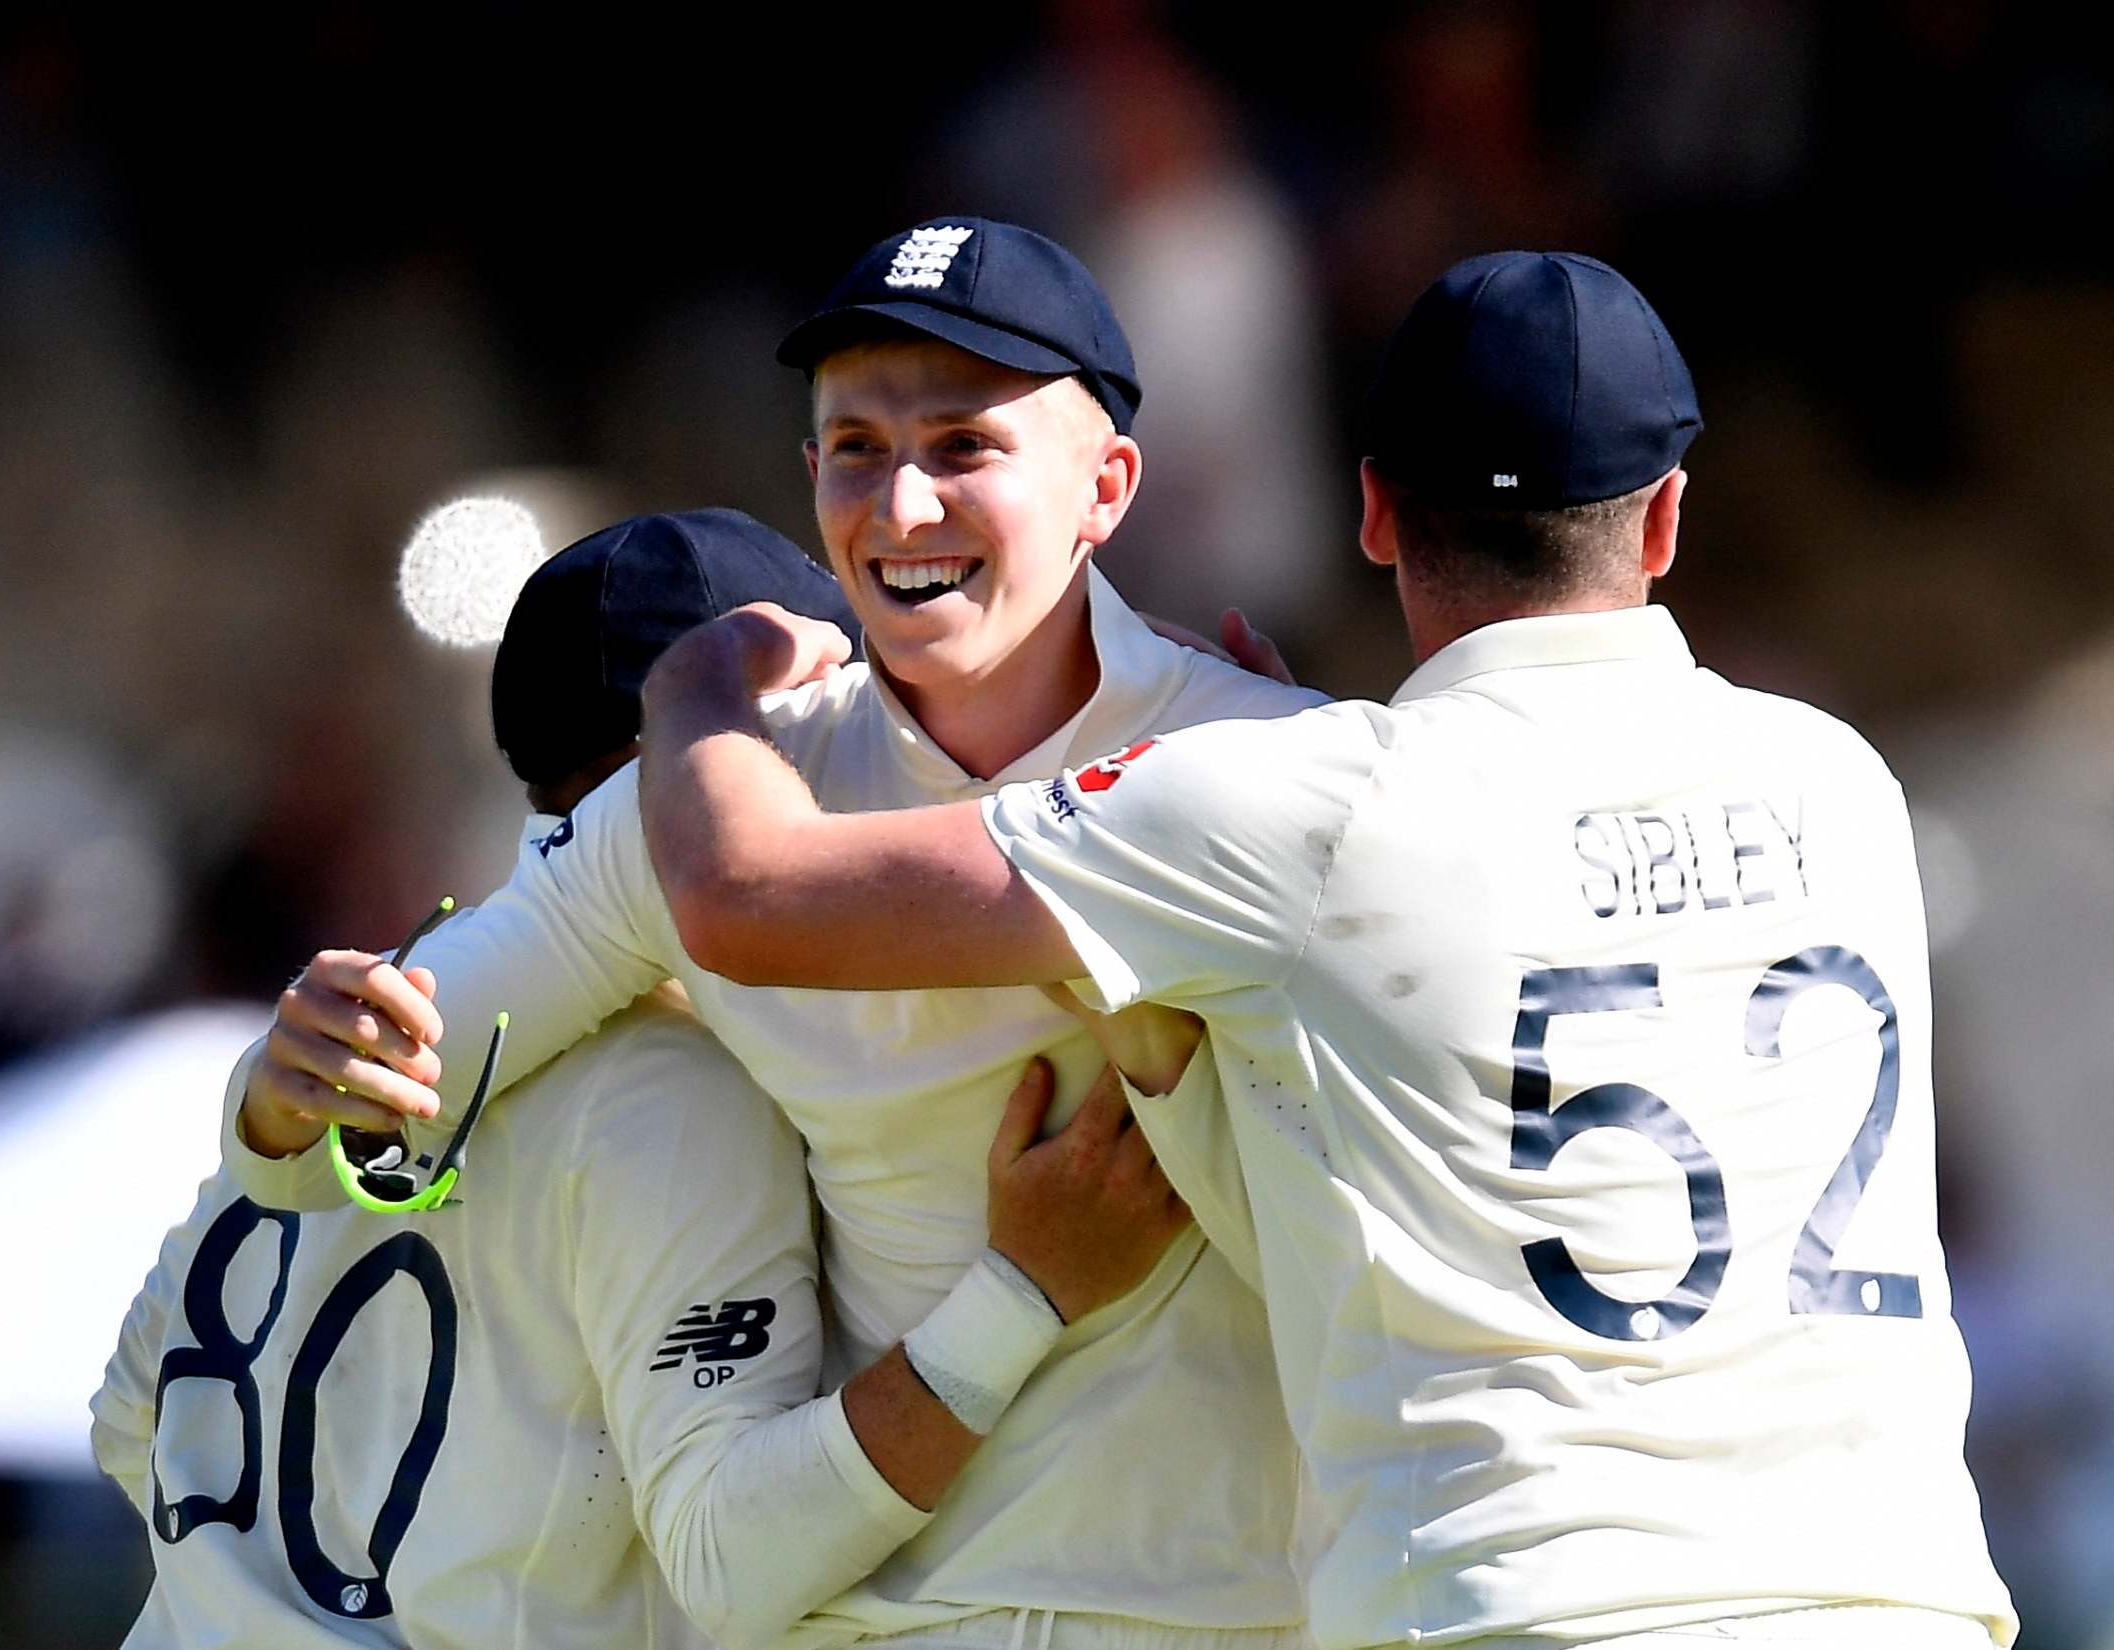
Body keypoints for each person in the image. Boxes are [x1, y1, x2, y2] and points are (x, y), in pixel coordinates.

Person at [620, 254, 2020, 1650]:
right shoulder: (1843, 783)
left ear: (1370, 513)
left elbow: (746, 893)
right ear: (1662, 522)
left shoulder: (1295, 805)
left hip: (1530, 1607)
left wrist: (694, 690)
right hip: (1900, 1598)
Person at [217, 218, 1325, 1650]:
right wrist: (290, 1086)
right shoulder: (716, 795)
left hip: (1235, 1620)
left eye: (964, 446)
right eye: (856, 447)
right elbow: (358, 1138)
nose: (903, 504)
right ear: (808, 478)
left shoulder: (1280, 764)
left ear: (1106, 485)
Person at [93, 509, 1191, 1650]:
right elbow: (735, 1559)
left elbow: (129, 1419)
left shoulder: (358, 1043)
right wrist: (1024, 1295)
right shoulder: (671, 1094)